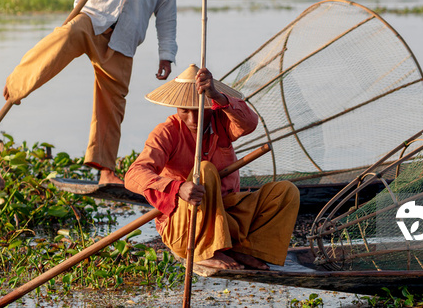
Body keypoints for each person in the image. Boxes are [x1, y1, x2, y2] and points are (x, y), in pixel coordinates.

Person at [2, 0, 178, 185]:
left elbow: (167, 13)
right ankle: (18, 84)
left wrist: (166, 54)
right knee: (65, 35)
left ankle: (106, 172)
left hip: (123, 40)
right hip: (93, 21)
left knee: (113, 103)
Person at [125, 64, 300, 270]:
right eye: (185, 111)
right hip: (187, 228)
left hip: (226, 218)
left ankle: (246, 250)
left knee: (286, 192)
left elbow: (249, 124)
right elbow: (133, 175)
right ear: (176, 108)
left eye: (199, 110)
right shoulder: (167, 132)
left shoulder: (221, 121)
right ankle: (205, 251)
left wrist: (217, 96)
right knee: (204, 170)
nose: (193, 119)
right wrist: (178, 188)